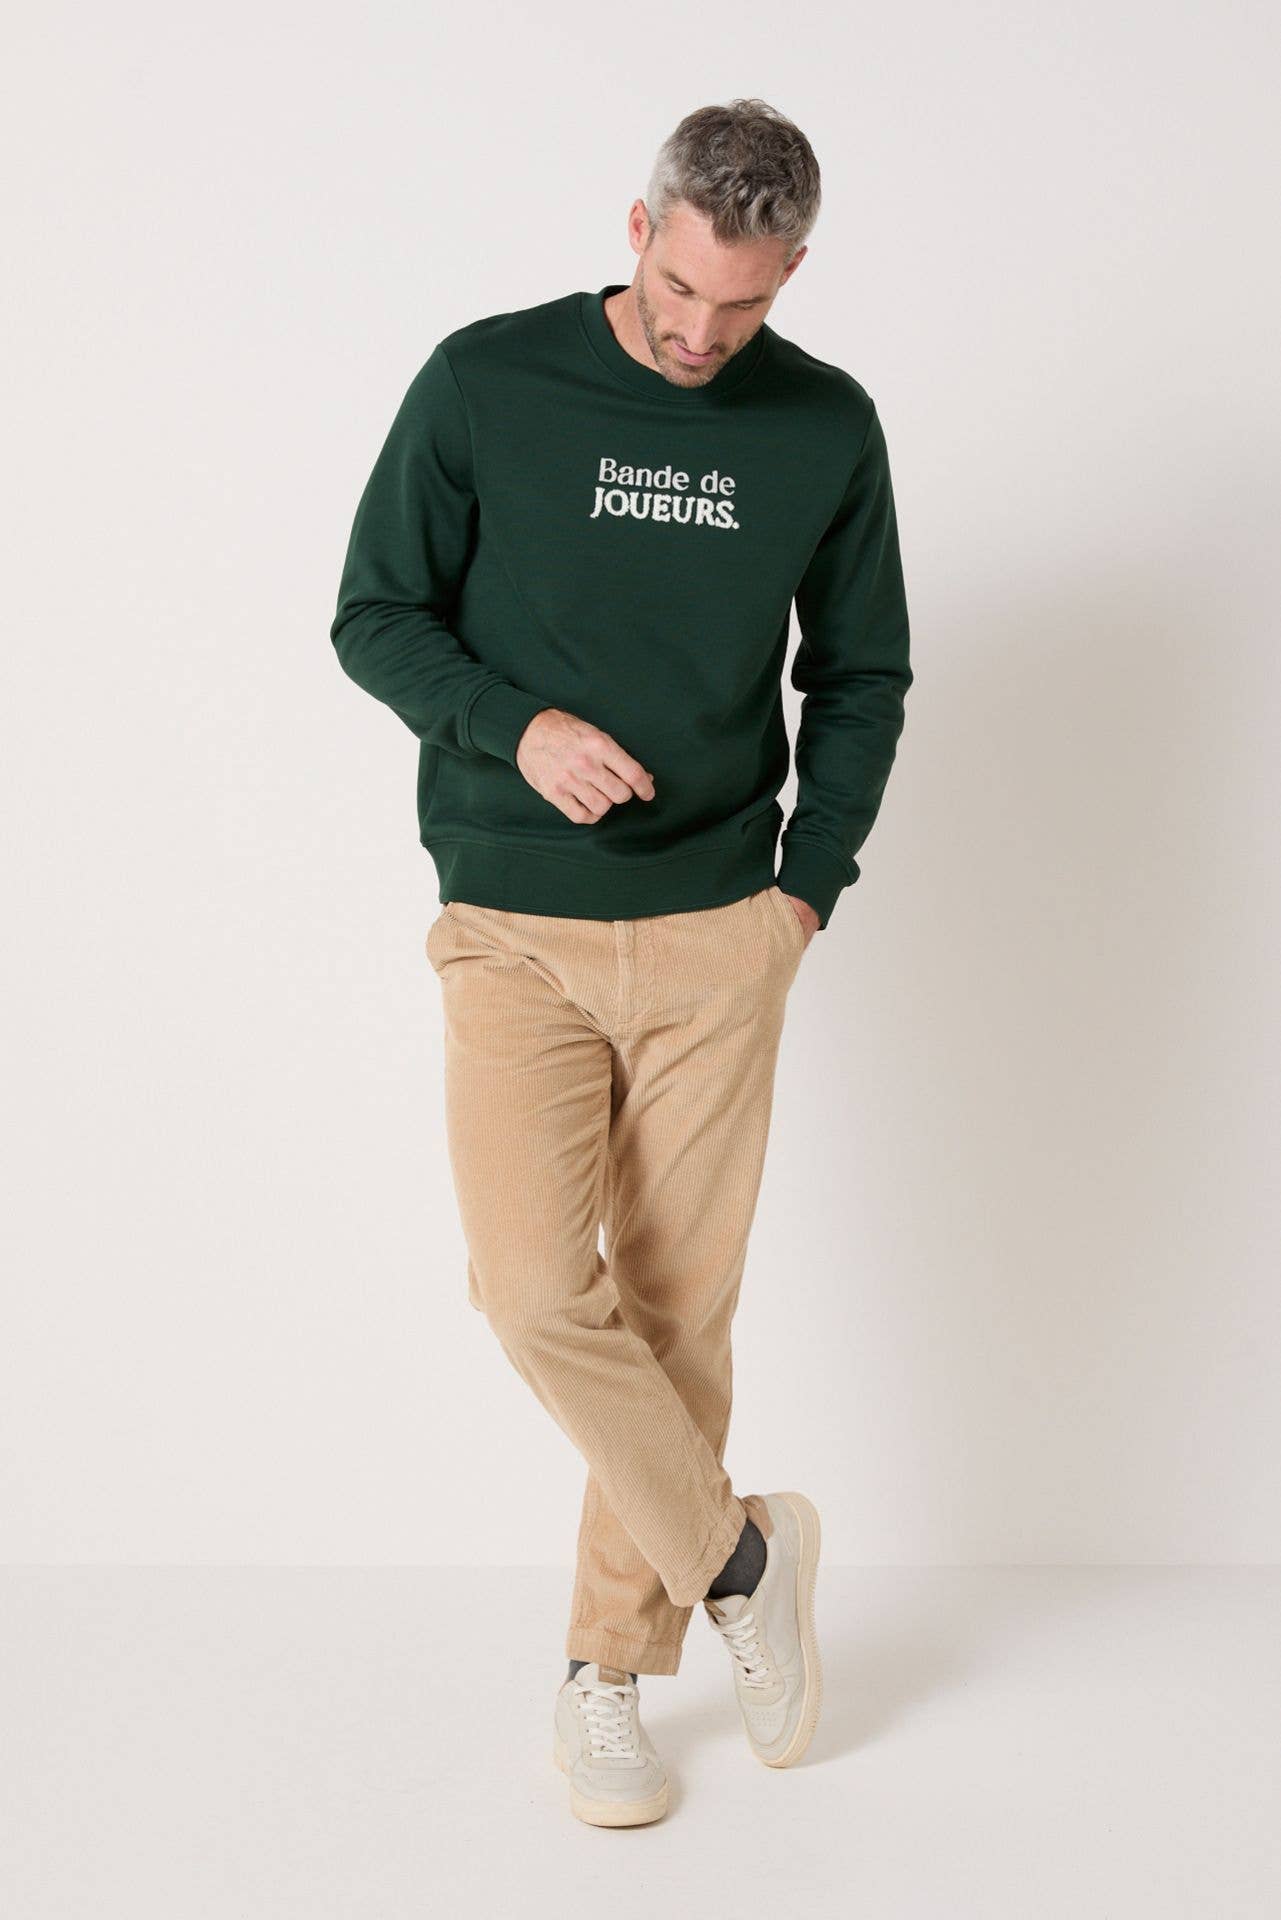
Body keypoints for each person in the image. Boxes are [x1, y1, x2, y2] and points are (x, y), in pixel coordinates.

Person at [329, 96, 913, 1827]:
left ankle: (606, 1671)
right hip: (512, 920)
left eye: (744, 305)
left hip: (722, 925)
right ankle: (740, 1559)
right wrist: (511, 729)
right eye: (679, 293)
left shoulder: (823, 423)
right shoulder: (484, 381)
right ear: (638, 227)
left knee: (674, 1311)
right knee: (531, 1293)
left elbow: (860, 675)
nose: (702, 334)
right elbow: (375, 613)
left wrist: (803, 892)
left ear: (791, 269)